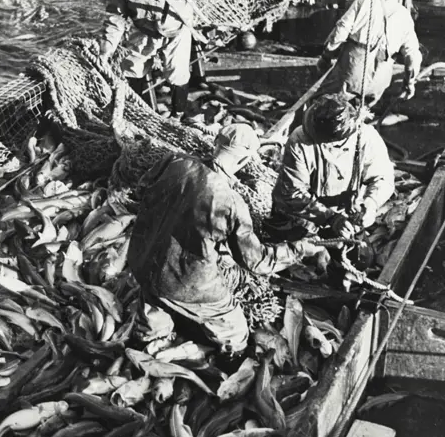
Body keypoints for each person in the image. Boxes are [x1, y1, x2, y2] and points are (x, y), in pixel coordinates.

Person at [126, 123, 328, 359]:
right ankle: (228, 359)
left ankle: (150, 334)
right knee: (236, 331)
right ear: (243, 161)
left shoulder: (174, 161)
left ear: (215, 144)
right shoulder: (231, 202)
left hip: (141, 260)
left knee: (154, 301)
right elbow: (257, 261)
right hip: (187, 283)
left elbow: (141, 191)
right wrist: (300, 249)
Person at [100, 0, 209, 120]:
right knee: (132, 68)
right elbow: (116, 18)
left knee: (177, 73)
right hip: (144, 30)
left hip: (176, 30)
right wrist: (107, 49)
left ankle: (176, 115)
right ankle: (136, 110)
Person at [269, 94, 395, 241]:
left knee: (362, 259)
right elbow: (293, 192)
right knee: (299, 252)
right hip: (300, 213)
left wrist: (370, 203)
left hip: (346, 214)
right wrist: (331, 218)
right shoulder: (299, 141)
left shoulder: (367, 137)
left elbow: (383, 177)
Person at [316, 0, 422, 107]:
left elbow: (340, 32)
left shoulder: (365, 1)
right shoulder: (404, 16)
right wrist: (409, 84)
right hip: (379, 81)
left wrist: (325, 57)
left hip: (353, 71)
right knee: (361, 115)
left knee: (322, 105)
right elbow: (413, 57)